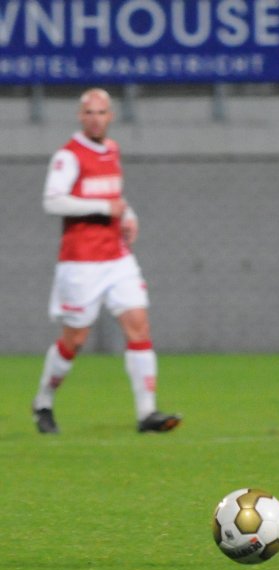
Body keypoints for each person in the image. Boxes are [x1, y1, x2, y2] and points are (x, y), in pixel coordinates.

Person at [32, 88, 181, 435]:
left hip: (117, 257)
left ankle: (147, 413)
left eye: (101, 112)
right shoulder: (68, 156)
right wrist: (102, 208)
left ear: (110, 116)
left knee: (139, 325)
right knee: (75, 340)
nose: (96, 118)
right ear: (80, 116)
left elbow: (113, 196)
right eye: (89, 113)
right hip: (81, 262)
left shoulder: (112, 150)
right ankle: (43, 401)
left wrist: (128, 213)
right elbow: (52, 201)